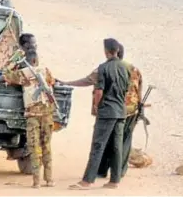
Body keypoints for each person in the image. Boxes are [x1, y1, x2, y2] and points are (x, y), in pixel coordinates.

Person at [59, 44, 143, 179]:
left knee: (103, 141)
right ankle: (118, 173)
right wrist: (139, 107)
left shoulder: (104, 68)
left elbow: (89, 81)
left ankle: (100, 171)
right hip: (130, 110)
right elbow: (139, 89)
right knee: (123, 141)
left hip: (110, 110)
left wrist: (66, 83)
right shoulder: (133, 69)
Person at [69, 38, 129, 190]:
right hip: (121, 111)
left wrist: (96, 105)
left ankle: (87, 181)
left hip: (107, 111)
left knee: (98, 146)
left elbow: (99, 91)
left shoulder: (104, 67)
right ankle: (114, 181)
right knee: (116, 147)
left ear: (106, 51)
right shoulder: (125, 67)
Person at [0, 50, 56, 188]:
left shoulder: (23, 74)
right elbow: (52, 82)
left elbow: (5, 74)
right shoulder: (45, 71)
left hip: (33, 116)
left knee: (34, 146)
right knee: (46, 147)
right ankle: (49, 179)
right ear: (36, 60)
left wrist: (13, 61)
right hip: (47, 114)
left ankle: (36, 182)